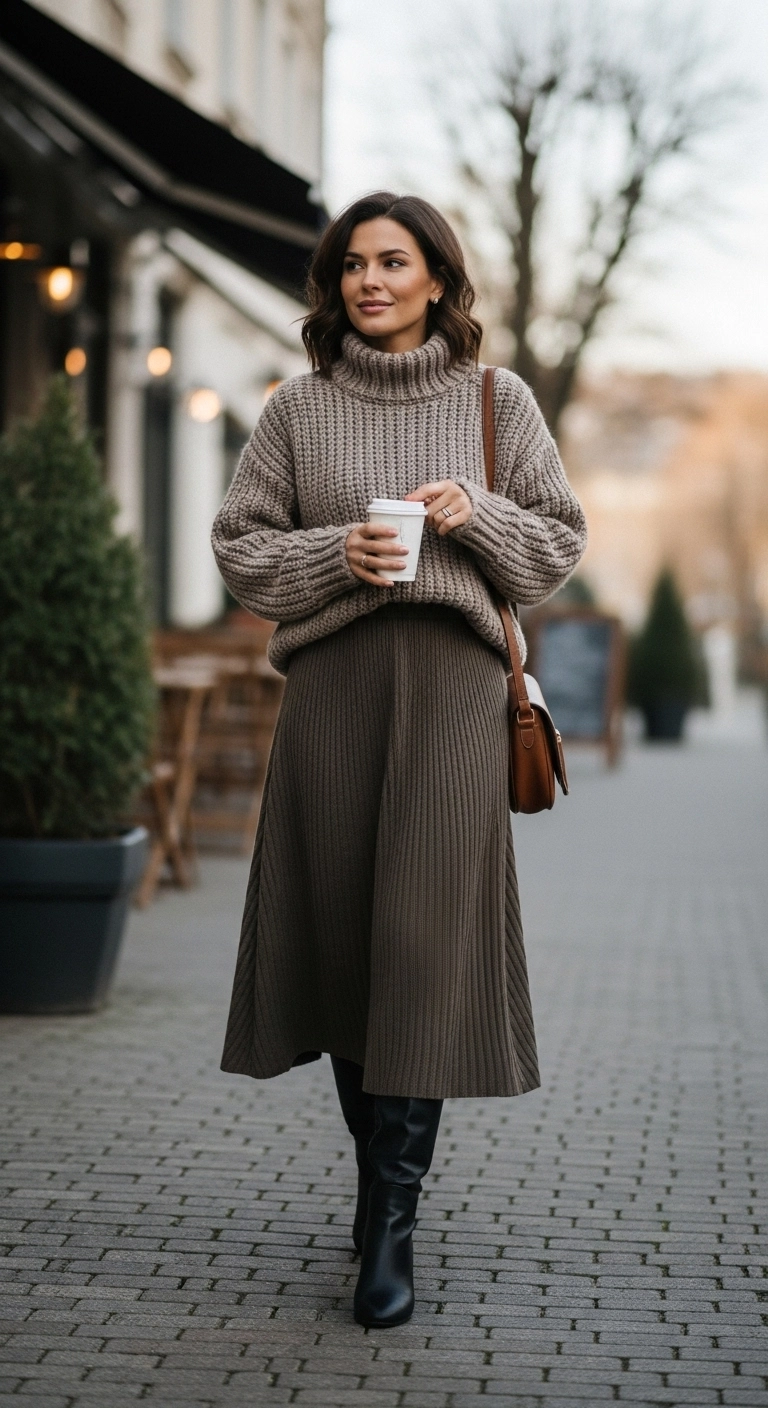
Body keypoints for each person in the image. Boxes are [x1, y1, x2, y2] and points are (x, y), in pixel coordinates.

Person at [211, 191, 587, 1328]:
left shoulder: (496, 400)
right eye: (352, 265)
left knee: (418, 944)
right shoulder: (297, 409)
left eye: (394, 260)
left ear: (436, 278)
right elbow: (240, 547)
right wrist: (341, 551)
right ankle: (383, 1184)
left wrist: (475, 517)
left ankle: (390, 1224)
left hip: (454, 698)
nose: (370, 280)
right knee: (341, 943)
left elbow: (560, 541)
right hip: (333, 696)